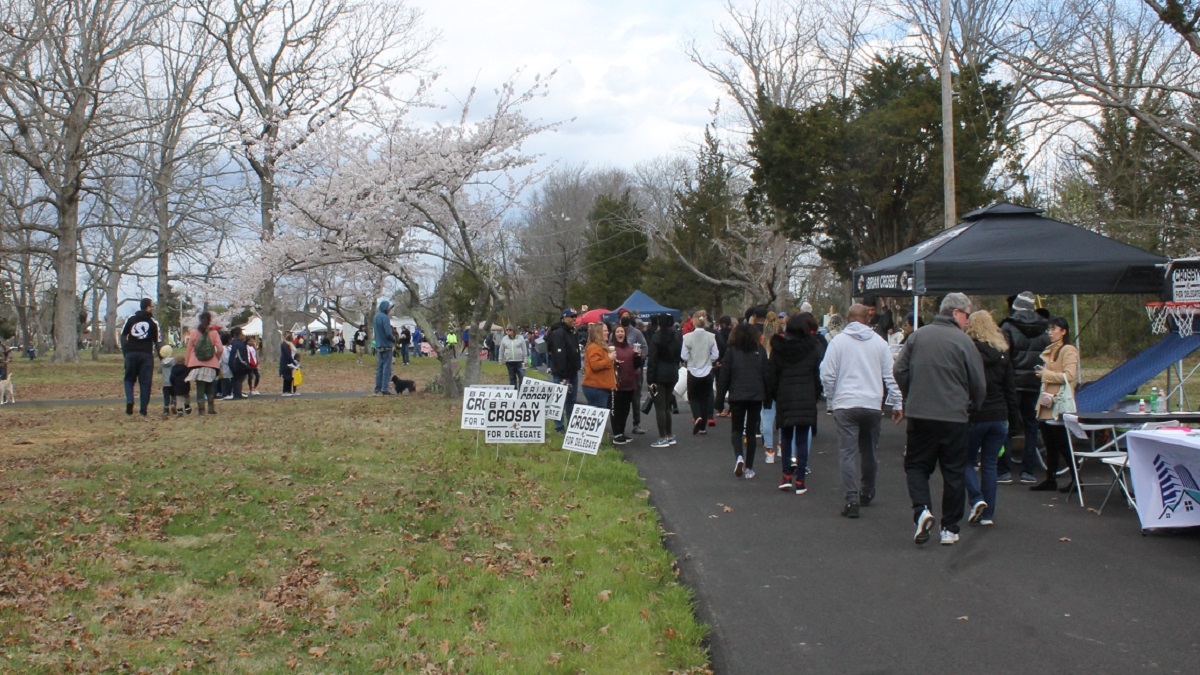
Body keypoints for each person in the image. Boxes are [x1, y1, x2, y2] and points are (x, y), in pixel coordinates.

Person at [894, 293, 986, 546]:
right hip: (954, 416)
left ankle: (922, 509)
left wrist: (911, 394)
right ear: (955, 313)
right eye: (966, 315)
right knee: (954, 472)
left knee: (916, 465)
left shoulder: (917, 336)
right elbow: (978, 382)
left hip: (921, 414)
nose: (967, 321)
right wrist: (971, 407)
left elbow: (899, 370)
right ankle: (950, 528)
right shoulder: (964, 342)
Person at [820, 304, 904, 519]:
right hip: (871, 403)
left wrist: (832, 399)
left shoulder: (838, 342)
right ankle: (867, 490)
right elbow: (889, 375)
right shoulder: (880, 343)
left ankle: (851, 498)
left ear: (848, 319)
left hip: (846, 403)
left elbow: (827, 374)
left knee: (847, 452)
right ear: (868, 318)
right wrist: (897, 403)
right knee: (869, 450)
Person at [963, 311, 1023, 527]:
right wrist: (1014, 420)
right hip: (999, 414)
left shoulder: (969, 351)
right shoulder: (1002, 353)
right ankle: (988, 513)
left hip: (976, 413)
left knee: (966, 460)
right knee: (990, 464)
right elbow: (1010, 390)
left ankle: (977, 499)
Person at [768, 313, 824, 495]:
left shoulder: (779, 348)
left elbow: (772, 374)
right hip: (806, 394)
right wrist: (815, 394)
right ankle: (800, 479)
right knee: (802, 439)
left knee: (785, 436)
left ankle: (786, 476)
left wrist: (773, 394)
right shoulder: (812, 348)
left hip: (785, 394)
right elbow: (816, 375)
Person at [1000, 291, 1052, 485]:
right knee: (1032, 426)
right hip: (1036, 380)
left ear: (1016, 307)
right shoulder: (1046, 327)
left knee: (1007, 424)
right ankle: (1028, 470)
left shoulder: (1007, 326)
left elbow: (1003, 356)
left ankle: (1004, 470)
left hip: (1013, 382)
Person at [1029, 317, 1079, 493]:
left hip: (1058, 403)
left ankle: (1076, 479)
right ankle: (1050, 479)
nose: (1050, 332)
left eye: (1054, 329)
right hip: (1047, 401)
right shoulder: (1051, 349)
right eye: (1049, 329)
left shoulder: (1068, 350)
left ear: (1063, 331)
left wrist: (1046, 374)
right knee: (1050, 444)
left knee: (1063, 444)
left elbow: (1069, 376)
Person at [718, 321, 770, 480]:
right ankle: (749, 467)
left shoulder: (732, 351)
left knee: (736, 429)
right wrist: (768, 398)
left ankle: (739, 456)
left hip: (737, 395)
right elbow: (766, 375)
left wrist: (719, 400)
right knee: (751, 431)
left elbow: (724, 377)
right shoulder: (759, 351)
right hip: (756, 395)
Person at [646, 314, 681, 448]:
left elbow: (653, 360)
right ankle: (670, 434)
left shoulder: (656, 338)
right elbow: (678, 356)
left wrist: (650, 379)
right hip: (672, 372)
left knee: (660, 407)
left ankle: (663, 436)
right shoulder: (676, 336)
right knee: (666, 406)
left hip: (660, 374)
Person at [121, 297, 160, 416]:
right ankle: (143, 410)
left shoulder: (131, 319)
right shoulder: (153, 323)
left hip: (131, 353)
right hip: (146, 354)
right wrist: (162, 357)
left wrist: (126, 351)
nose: (152, 309)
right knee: (145, 383)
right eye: (152, 306)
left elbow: (123, 336)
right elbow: (157, 341)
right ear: (148, 307)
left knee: (129, 379)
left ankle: (129, 400)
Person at [681, 311, 719, 435]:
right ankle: (703, 427)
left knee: (693, 396)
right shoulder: (711, 336)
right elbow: (716, 354)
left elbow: (684, 356)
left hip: (693, 370)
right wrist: (709, 360)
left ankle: (697, 416)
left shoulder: (687, 337)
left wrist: (692, 357)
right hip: (707, 370)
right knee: (705, 397)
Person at [547, 308, 581, 433]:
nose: (574, 319)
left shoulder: (572, 333)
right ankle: (559, 427)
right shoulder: (558, 333)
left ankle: (571, 425)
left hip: (573, 373)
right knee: (559, 401)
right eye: (571, 316)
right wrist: (564, 376)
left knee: (572, 401)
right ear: (564, 318)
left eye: (575, 317)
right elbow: (559, 356)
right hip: (562, 375)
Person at [581, 322, 617, 437]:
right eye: (605, 330)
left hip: (600, 386)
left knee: (598, 415)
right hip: (595, 387)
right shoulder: (594, 347)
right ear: (598, 333)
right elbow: (595, 365)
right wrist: (609, 358)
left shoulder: (600, 346)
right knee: (597, 415)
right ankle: (594, 439)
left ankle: (595, 439)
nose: (608, 332)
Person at [185, 311, 223, 416]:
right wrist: (216, 358)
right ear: (210, 320)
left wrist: (187, 363)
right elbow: (220, 349)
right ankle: (211, 408)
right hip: (212, 364)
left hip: (196, 363)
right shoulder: (214, 333)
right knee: (210, 385)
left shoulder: (194, 333)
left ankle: (201, 410)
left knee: (200, 386)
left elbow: (189, 349)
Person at [618, 310, 649, 434]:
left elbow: (645, 348)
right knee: (621, 400)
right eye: (623, 317)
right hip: (620, 372)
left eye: (627, 316)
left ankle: (637, 424)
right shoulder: (616, 332)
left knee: (636, 399)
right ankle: (620, 427)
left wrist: (639, 361)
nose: (625, 318)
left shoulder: (636, 333)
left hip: (635, 372)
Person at [609, 324, 640, 444]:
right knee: (616, 409)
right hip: (616, 384)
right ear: (614, 334)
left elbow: (636, 365)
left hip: (629, 383)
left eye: (622, 332)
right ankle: (616, 434)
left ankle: (622, 432)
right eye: (618, 332)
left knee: (626, 410)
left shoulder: (631, 347)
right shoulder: (611, 347)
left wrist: (638, 357)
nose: (620, 334)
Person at [373, 301, 395, 395]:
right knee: (387, 368)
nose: (390, 309)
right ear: (386, 308)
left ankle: (377, 388)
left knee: (379, 368)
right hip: (386, 345)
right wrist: (393, 339)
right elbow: (388, 333)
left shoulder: (376, 317)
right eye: (389, 308)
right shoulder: (385, 318)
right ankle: (385, 389)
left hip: (378, 345)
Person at [499, 324, 529, 388]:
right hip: (509, 362)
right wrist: (500, 360)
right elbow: (501, 350)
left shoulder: (520, 338)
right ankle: (514, 393)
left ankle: (521, 392)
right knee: (512, 378)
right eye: (507, 330)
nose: (508, 331)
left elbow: (524, 350)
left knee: (522, 377)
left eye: (510, 329)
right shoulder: (504, 339)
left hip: (520, 361)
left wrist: (525, 359)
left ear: (514, 330)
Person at [227, 327, 251, 400]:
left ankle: (236, 394)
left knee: (236, 380)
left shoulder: (234, 343)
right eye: (241, 334)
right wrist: (246, 364)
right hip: (238, 365)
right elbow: (240, 356)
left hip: (233, 364)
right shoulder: (239, 344)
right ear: (238, 335)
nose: (243, 335)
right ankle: (237, 394)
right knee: (238, 380)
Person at [280, 331, 299, 396]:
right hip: (286, 363)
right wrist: (293, 362)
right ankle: (285, 391)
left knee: (290, 377)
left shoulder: (290, 344)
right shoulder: (284, 345)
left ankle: (289, 390)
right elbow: (288, 355)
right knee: (286, 377)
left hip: (291, 362)